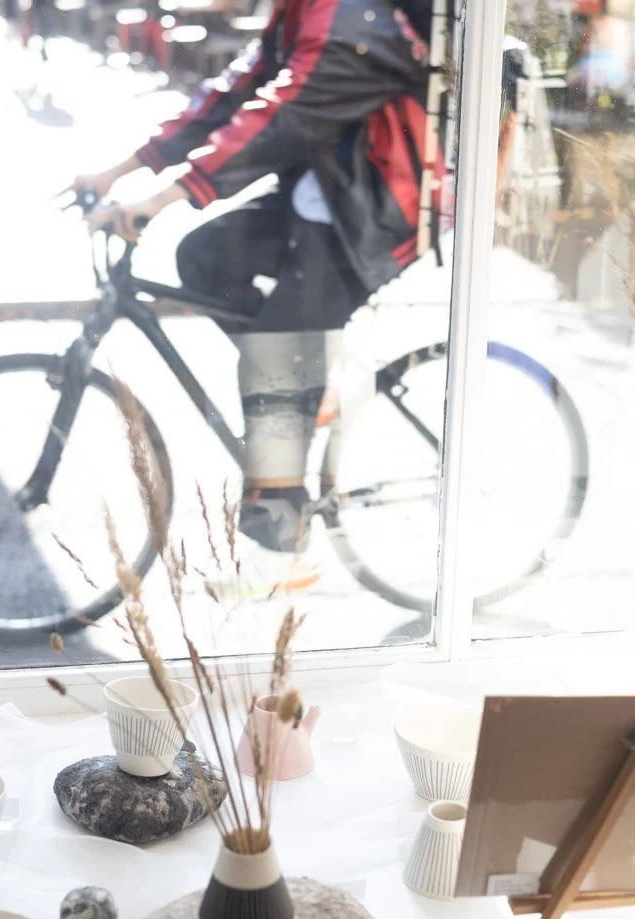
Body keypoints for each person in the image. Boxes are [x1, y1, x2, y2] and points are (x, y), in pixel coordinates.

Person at [72, 0, 445, 595]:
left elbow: (277, 119)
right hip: (325, 190)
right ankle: (311, 379)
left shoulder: (349, 20)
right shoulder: (302, 10)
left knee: (276, 365)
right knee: (204, 259)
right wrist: (119, 171)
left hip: (375, 210)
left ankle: (281, 555)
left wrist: (161, 198)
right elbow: (231, 95)